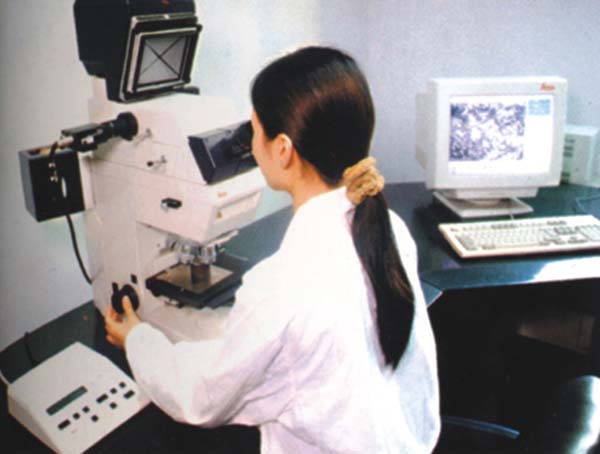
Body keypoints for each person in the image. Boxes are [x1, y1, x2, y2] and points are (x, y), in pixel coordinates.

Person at [105, 46, 440, 453]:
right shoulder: (389, 230)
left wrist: (138, 339)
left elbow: (202, 396)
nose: (251, 143)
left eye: (254, 129)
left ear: (282, 149)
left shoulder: (282, 287)